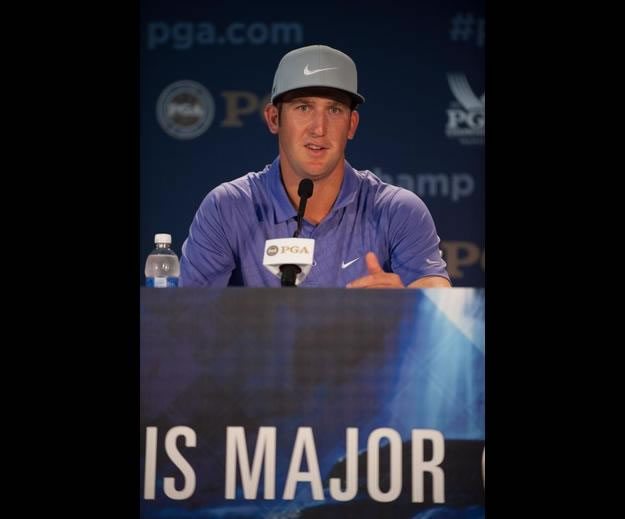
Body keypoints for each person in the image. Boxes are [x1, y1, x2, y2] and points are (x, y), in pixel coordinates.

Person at [180, 44, 451, 288]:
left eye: (334, 110)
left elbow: (438, 299)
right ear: (274, 118)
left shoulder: (398, 209)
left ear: (351, 125)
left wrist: (407, 304)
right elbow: (186, 316)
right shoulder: (227, 208)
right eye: (303, 108)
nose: (319, 129)